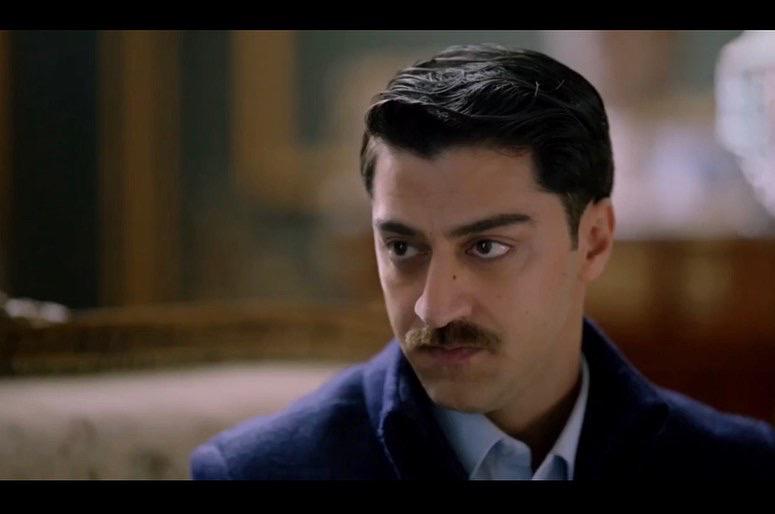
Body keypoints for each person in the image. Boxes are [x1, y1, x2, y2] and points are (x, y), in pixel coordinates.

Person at [190, 44, 775, 480]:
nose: (434, 307)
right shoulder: (257, 473)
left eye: (487, 247)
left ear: (594, 242)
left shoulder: (740, 467)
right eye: (403, 248)